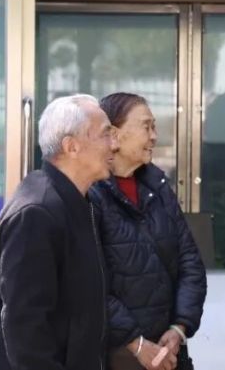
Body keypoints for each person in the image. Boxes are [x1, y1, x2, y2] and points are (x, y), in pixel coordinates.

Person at [0, 94, 116, 370]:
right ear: (71, 146)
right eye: (105, 134)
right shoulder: (36, 213)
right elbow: (26, 332)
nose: (114, 145)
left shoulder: (79, 203)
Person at [91, 93, 207, 370]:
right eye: (147, 126)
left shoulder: (158, 187)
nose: (154, 136)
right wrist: (137, 343)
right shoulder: (91, 193)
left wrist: (179, 327)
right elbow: (91, 285)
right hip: (115, 353)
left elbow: (190, 261)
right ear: (114, 135)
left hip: (168, 349)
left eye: (154, 127)